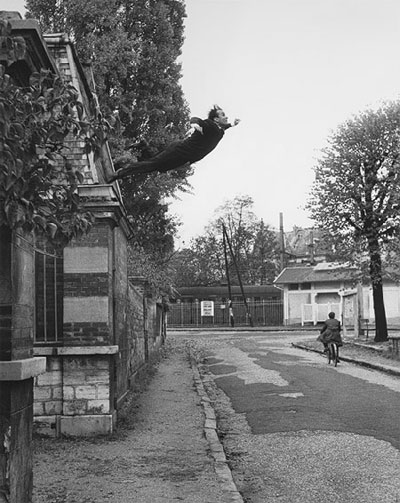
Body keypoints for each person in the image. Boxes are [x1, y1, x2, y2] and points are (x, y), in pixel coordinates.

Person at [107, 105, 240, 182]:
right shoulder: (210, 125)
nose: (226, 117)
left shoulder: (220, 131)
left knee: (157, 167)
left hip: (184, 159)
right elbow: (196, 119)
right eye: (223, 115)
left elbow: (224, 126)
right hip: (179, 150)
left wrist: (232, 124)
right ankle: (119, 173)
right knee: (153, 164)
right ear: (216, 119)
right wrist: (194, 124)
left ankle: (143, 147)